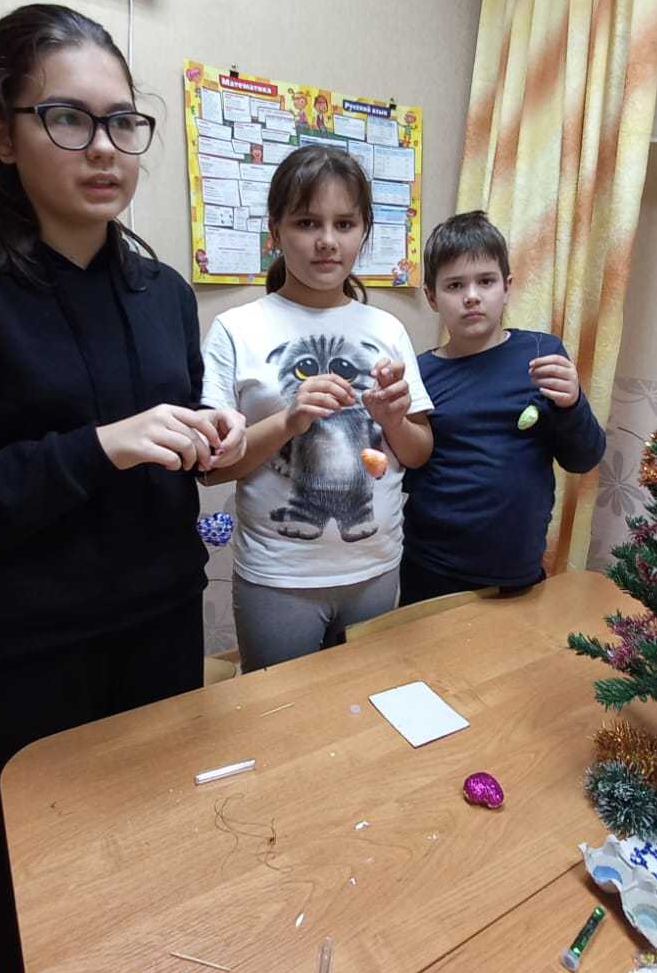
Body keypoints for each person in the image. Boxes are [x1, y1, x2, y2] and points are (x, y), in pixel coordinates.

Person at [0, 4, 246, 973]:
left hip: (160, 616)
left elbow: (163, 435)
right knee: (43, 882)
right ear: (2, 131)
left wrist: (203, 436)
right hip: (29, 646)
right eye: (68, 119)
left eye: (124, 122)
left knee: (159, 848)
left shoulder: (161, 291)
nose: (105, 149)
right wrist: (98, 446)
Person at [200, 145, 433, 670]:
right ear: (275, 232)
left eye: (344, 224)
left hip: (376, 566)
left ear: (363, 231)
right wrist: (289, 420)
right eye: (307, 222)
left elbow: (418, 454)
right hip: (278, 577)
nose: (327, 241)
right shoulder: (236, 330)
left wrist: (394, 421)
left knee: (366, 702)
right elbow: (212, 469)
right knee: (279, 711)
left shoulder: (387, 329)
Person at [401, 210, 605, 604]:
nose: (472, 296)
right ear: (432, 297)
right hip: (431, 568)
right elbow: (408, 470)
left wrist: (572, 403)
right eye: (455, 285)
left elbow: (583, 458)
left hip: (518, 572)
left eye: (486, 281)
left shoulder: (543, 353)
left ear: (507, 286)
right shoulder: (420, 372)